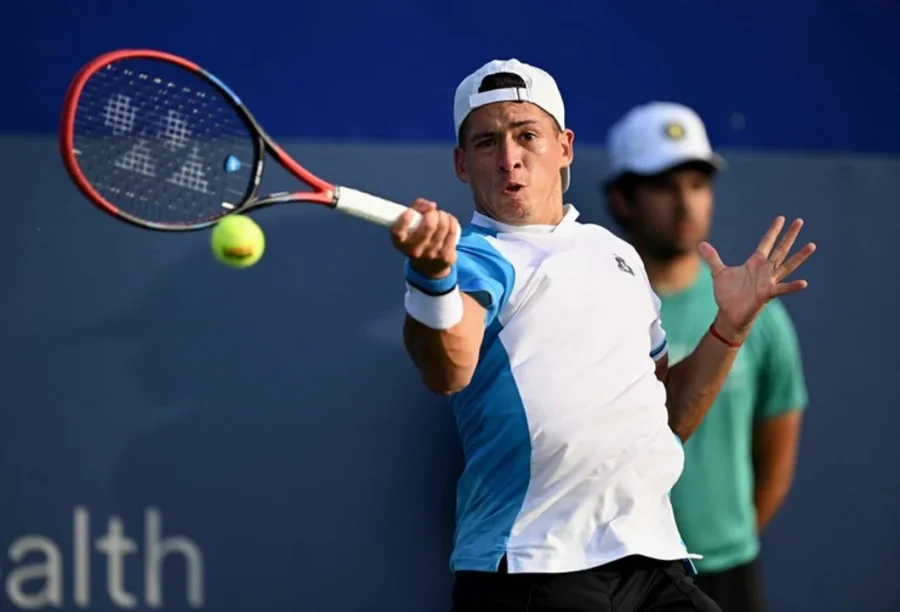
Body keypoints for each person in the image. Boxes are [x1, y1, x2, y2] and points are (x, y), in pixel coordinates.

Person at [389, 59, 815, 612]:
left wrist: (728, 328)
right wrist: (431, 278)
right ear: (461, 163)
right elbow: (447, 369)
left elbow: (667, 417)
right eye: (487, 142)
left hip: (650, 558)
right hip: (532, 564)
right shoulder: (473, 260)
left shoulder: (618, 255)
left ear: (564, 147)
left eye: (526, 135)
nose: (509, 157)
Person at [602, 101, 810, 612]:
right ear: (622, 199)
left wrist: (727, 545)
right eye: (664, 185)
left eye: (697, 184)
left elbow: (776, 459)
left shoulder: (760, 316)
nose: (685, 203)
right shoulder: (591, 311)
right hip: (613, 574)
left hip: (729, 574)